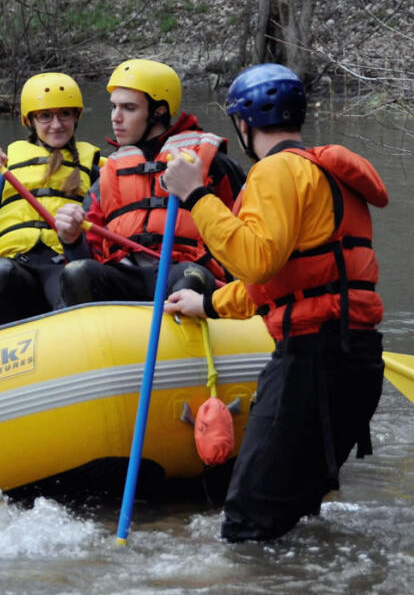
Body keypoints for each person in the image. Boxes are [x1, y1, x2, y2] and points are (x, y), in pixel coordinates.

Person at [160, 63, 388, 543]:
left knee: (247, 522)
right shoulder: (323, 171)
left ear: (244, 124)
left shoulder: (275, 172)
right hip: (357, 361)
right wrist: (210, 304)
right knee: (295, 518)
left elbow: (257, 260)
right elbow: (285, 281)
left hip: (312, 362)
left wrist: (196, 194)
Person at [53, 58, 244, 304]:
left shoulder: (207, 160)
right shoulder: (110, 172)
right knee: (77, 273)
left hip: (183, 271)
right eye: (114, 107)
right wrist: (71, 239)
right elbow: (90, 252)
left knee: (191, 277)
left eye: (129, 108)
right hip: (124, 274)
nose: (115, 118)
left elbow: (247, 229)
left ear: (159, 111)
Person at [0, 73, 102, 329]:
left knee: (77, 277)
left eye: (64, 114)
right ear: (30, 120)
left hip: (59, 266)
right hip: (12, 265)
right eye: (45, 116)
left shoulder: (94, 172)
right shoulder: (6, 168)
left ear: (76, 117)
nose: (56, 124)